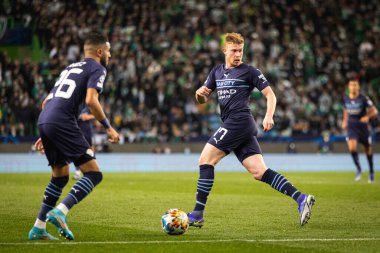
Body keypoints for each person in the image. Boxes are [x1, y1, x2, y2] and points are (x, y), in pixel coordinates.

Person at [187, 33, 315, 227]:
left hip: (239, 122)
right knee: (259, 172)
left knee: (205, 160)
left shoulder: (250, 71)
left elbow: (270, 95)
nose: (238, 54)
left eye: (240, 50)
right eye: (234, 51)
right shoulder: (216, 72)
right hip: (237, 126)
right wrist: (199, 94)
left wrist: (269, 115)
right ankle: (301, 198)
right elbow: (203, 98)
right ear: (225, 51)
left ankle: (197, 214)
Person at [28, 32, 120, 241]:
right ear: (99, 51)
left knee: (60, 176)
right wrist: (107, 126)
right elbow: (90, 99)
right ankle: (61, 211)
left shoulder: (70, 68)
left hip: (47, 119)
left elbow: (46, 102)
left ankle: (38, 228)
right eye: (108, 51)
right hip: (61, 121)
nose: (110, 55)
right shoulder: (98, 68)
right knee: (94, 174)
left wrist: (48, 131)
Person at [342, 79, 378, 183]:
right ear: (349, 87)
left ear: (358, 87)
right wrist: (344, 120)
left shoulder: (364, 98)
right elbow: (345, 110)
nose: (353, 87)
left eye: (355, 85)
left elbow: (374, 110)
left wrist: (367, 116)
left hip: (362, 128)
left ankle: (371, 171)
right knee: (352, 148)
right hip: (351, 127)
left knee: (367, 149)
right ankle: (359, 169)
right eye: (351, 85)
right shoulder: (345, 99)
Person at [73, 106, 95, 180]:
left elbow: (96, 114)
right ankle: (77, 172)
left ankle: (93, 170)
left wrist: (88, 116)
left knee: (90, 149)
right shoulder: (75, 103)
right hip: (77, 129)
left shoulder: (89, 104)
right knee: (76, 150)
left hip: (87, 130)